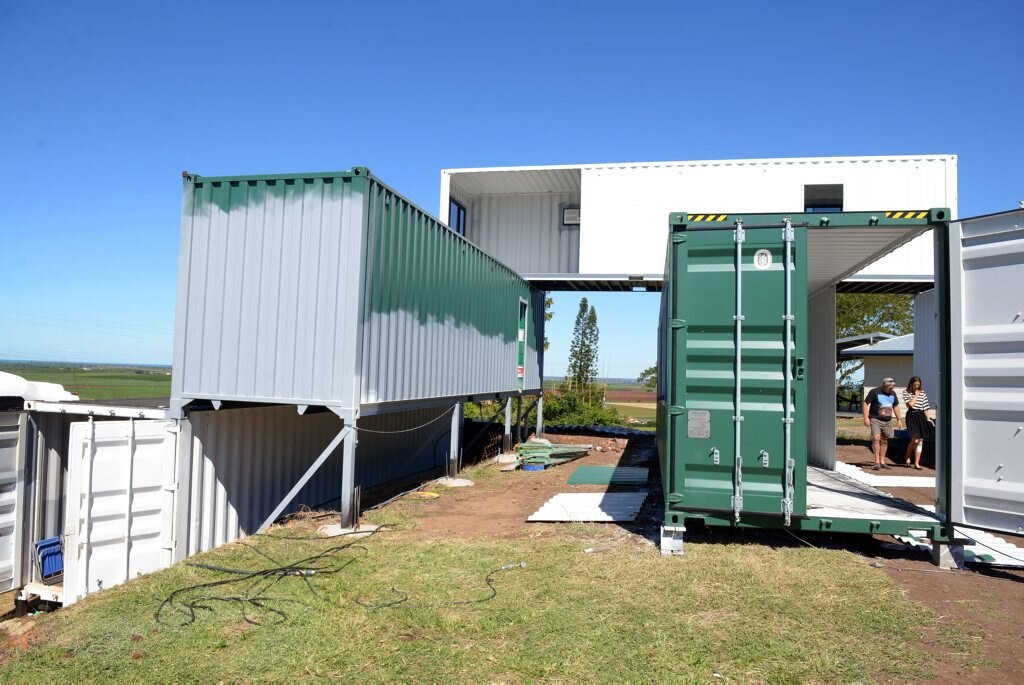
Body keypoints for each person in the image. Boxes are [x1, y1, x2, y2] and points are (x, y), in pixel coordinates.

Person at [862, 377, 902, 470]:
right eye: (892, 385)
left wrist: (899, 419)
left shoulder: (893, 393)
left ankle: (882, 461)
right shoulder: (874, 392)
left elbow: (895, 406)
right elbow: (865, 403)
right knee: (876, 438)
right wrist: (866, 418)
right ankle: (877, 462)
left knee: (884, 440)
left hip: (887, 421)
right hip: (875, 419)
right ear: (885, 384)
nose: (894, 386)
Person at [902, 376, 931, 470]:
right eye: (915, 385)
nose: (917, 387)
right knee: (915, 440)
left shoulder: (923, 393)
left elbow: (925, 407)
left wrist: (928, 419)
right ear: (911, 384)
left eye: (918, 385)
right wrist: (916, 395)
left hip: (921, 416)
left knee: (920, 441)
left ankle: (917, 463)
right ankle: (907, 456)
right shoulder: (906, 392)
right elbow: (910, 405)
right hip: (912, 415)